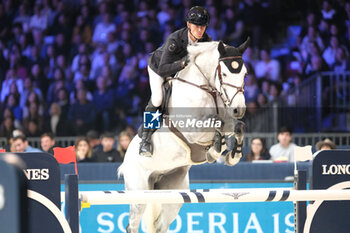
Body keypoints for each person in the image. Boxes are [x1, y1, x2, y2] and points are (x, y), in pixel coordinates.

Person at [139, 6, 212, 156]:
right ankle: (145, 140)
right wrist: (183, 63)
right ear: (188, 25)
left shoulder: (206, 40)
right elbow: (163, 69)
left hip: (181, 71)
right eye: (197, 26)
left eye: (203, 26)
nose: (200, 30)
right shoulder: (175, 40)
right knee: (158, 99)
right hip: (158, 67)